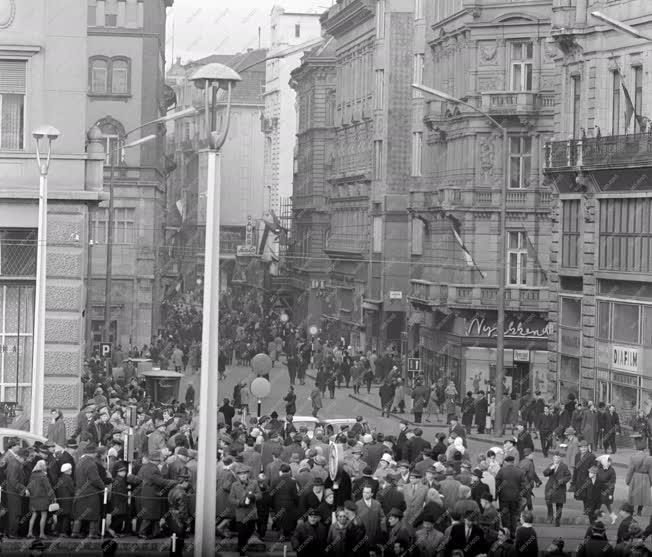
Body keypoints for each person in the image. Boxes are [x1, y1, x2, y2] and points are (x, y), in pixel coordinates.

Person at [229, 464, 262, 556]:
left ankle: (242, 547)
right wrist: (240, 503)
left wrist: (253, 497)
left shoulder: (254, 483)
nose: (243, 475)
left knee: (250, 531)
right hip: (241, 514)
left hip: (251, 513)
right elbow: (231, 499)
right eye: (240, 474)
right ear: (238, 475)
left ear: (248, 474)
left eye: (244, 473)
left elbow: (260, 495)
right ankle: (242, 552)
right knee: (242, 533)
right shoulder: (234, 485)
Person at [495, 455, 525, 535]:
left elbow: (497, 485)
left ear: (506, 462)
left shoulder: (501, 471)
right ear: (513, 462)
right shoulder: (520, 471)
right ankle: (512, 534)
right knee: (514, 516)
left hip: (504, 498)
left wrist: (496, 496)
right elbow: (523, 486)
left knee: (505, 516)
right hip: (516, 498)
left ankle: (506, 533)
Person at [26, 459, 55, 539]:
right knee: (43, 515)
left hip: (33, 499)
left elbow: (28, 487)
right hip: (43, 499)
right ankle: (41, 534)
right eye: (45, 465)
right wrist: (53, 497)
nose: (46, 466)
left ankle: (29, 533)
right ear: (42, 466)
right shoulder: (43, 475)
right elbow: (48, 488)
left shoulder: (32, 475)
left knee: (34, 515)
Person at [543, 450, 571, 527]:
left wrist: (563, 480)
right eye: (555, 457)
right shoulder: (550, 465)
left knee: (559, 505)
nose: (556, 459)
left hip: (560, 488)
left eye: (558, 457)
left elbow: (568, 476)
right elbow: (545, 473)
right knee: (548, 501)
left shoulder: (564, 466)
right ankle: (550, 516)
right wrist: (551, 468)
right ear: (553, 458)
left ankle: (557, 520)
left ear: (560, 458)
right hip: (550, 487)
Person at [625, 441, 652, 516]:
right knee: (643, 496)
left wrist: (627, 480)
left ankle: (631, 511)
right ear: (645, 449)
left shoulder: (633, 457)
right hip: (645, 477)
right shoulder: (650, 458)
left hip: (636, 476)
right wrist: (651, 481)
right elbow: (651, 471)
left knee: (633, 495)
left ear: (637, 449)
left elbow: (630, 470)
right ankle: (639, 511)